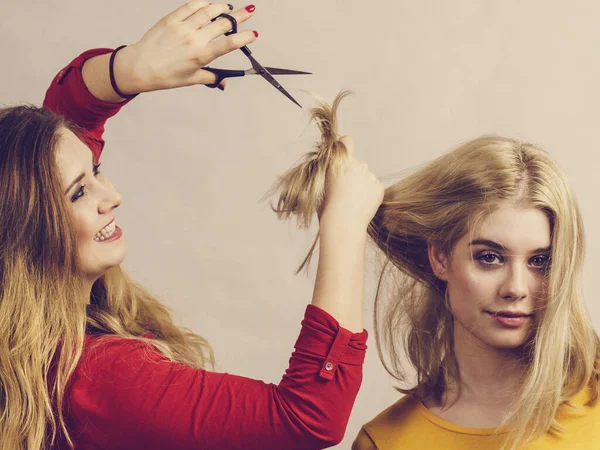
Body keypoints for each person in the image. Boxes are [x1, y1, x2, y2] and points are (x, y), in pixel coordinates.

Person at [0, 3, 384, 450]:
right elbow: (306, 419)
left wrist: (127, 69)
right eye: (80, 192)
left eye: (97, 169)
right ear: (26, 234)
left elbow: (51, 136)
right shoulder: (100, 379)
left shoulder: (30, 346)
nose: (113, 196)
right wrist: (343, 227)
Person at [342, 136, 600, 449]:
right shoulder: (384, 441)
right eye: (490, 257)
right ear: (440, 257)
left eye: (539, 261)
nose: (516, 288)